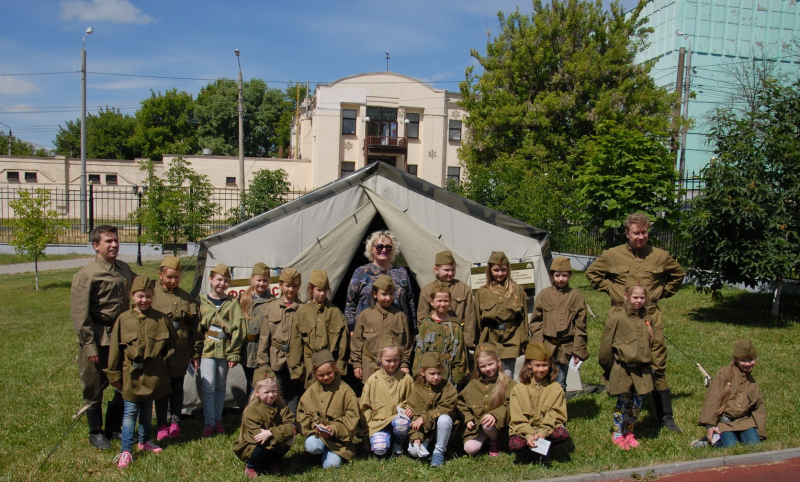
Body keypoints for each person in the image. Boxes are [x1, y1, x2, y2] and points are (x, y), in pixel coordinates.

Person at [586, 212, 685, 432]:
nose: (641, 237)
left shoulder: (660, 255)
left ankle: (665, 416)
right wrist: (612, 292)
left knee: (657, 363)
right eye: (636, 233)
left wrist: (662, 293)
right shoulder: (612, 255)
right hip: (623, 318)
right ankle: (623, 409)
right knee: (621, 361)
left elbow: (678, 275)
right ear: (627, 233)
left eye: (644, 232)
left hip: (650, 317)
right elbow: (593, 274)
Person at [71, 225, 136, 450]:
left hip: (122, 337)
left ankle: (114, 426)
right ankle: (96, 431)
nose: (114, 245)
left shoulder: (124, 269)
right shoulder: (87, 274)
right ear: (96, 245)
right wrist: (89, 346)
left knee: (124, 380)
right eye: (108, 241)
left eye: (116, 241)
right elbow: (80, 315)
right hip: (99, 337)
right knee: (94, 385)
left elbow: (141, 287)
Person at [106, 276, 172, 469]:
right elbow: (115, 351)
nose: (144, 300)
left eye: (149, 296)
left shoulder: (160, 319)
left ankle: (144, 441)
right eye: (140, 296)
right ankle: (126, 449)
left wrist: (164, 369)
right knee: (130, 413)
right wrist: (114, 376)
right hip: (131, 375)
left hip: (152, 374)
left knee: (146, 410)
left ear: (153, 296)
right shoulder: (124, 320)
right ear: (132, 296)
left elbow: (171, 347)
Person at [598, 281, 655, 450]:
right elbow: (605, 349)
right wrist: (611, 370)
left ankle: (629, 431)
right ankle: (617, 433)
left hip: (642, 370)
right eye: (635, 297)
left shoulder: (646, 318)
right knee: (622, 402)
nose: (638, 301)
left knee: (637, 403)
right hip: (622, 368)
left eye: (642, 298)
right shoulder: (617, 318)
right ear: (626, 296)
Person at [152, 255, 202, 442]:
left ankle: (175, 421)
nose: (173, 281)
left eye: (176, 277)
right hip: (161, 349)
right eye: (169, 277)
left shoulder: (187, 298)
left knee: (177, 387)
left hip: (181, 349)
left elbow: (195, 327)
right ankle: (161, 423)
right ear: (160, 275)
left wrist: (196, 351)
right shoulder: (153, 296)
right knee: (162, 387)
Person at [198, 263, 246, 437]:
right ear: (210, 280)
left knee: (220, 386)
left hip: (224, 349)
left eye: (226, 280)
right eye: (219, 279)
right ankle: (208, 422)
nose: (222, 283)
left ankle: (217, 420)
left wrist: (234, 352)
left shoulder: (232, 303)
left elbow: (239, 327)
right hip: (207, 350)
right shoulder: (201, 301)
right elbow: (197, 326)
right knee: (208, 386)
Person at [691, 339, 766, 449]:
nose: (748, 364)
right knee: (730, 447)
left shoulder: (752, 382)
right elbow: (713, 400)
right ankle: (709, 442)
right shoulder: (724, 374)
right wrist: (710, 426)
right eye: (744, 360)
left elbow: (759, 408)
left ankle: (740, 437)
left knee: (754, 446)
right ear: (736, 359)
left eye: (751, 360)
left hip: (744, 422)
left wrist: (760, 432)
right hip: (725, 423)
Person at [530, 257, 588, 394]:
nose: (561, 279)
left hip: (565, 348)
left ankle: (559, 412)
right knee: (542, 381)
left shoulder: (576, 296)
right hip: (547, 346)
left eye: (564, 275)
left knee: (560, 381)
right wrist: (538, 346)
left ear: (570, 275)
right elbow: (536, 322)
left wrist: (578, 350)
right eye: (557, 275)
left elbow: (581, 326)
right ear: (552, 275)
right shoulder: (544, 295)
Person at [297, 349, 360, 469]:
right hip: (317, 435)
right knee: (312, 446)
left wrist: (332, 429)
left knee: (331, 466)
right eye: (321, 375)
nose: (326, 377)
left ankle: (328, 454)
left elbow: (352, 419)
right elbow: (302, 415)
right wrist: (316, 427)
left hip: (338, 441)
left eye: (329, 373)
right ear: (315, 374)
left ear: (335, 369)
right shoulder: (310, 391)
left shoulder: (346, 391)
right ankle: (317, 452)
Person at [508, 343, 569, 465]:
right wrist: (529, 434)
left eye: (545, 365)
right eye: (537, 365)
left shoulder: (556, 388)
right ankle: (527, 451)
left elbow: (556, 414)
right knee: (515, 444)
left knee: (561, 434)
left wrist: (543, 432)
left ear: (550, 365)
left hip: (546, 431)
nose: (541, 369)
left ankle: (546, 449)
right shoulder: (518, 389)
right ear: (529, 365)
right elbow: (517, 417)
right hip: (526, 431)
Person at [345, 230, 416, 334]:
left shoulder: (401, 272)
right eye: (379, 246)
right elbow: (350, 303)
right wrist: (351, 329)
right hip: (367, 332)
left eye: (388, 247)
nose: (384, 250)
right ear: (371, 248)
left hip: (397, 331)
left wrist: (412, 329)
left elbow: (410, 302)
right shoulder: (360, 273)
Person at [288, 270, 349, 389]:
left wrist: (340, 366)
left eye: (325, 290)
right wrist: (297, 368)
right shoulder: (302, 313)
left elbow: (343, 343)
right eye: (319, 290)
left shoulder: (336, 313)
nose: (322, 294)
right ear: (311, 289)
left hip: (331, 365)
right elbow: (296, 343)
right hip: (310, 364)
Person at [256, 268, 302, 413]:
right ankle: (280, 417)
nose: (290, 289)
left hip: (296, 357)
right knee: (278, 388)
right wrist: (262, 361)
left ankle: (292, 419)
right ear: (280, 285)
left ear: (299, 286)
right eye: (287, 285)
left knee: (294, 390)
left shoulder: (303, 308)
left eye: (294, 286)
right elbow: (264, 336)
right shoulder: (272, 308)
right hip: (276, 356)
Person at [350, 275, 413, 383]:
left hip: (393, 367)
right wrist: (356, 364)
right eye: (383, 294)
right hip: (370, 365)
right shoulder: (366, 315)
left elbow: (406, 343)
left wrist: (404, 364)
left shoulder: (399, 316)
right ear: (375, 294)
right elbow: (357, 341)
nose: (388, 298)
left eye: (391, 294)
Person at [476, 251, 528, 378]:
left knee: (507, 376)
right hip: (490, 338)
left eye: (503, 270)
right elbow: (477, 319)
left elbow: (523, 318)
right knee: (490, 375)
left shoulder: (516, 290)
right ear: (490, 270)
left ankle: (506, 398)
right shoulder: (483, 292)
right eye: (496, 270)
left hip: (511, 339)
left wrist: (524, 341)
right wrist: (479, 341)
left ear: (508, 270)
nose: (500, 273)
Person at [458, 342, 515, 457]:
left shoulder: (508, 383)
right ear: (478, 367)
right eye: (483, 366)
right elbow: (460, 402)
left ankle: (494, 441)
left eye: (490, 364)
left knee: (487, 424)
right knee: (469, 448)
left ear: (498, 362)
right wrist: (468, 419)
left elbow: (511, 404)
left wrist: (495, 415)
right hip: (477, 426)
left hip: (498, 426)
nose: (488, 369)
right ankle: (485, 440)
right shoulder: (473, 384)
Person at [360, 336, 414, 456]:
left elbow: (413, 400)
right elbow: (365, 407)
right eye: (388, 360)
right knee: (380, 450)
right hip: (378, 423)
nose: (392, 364)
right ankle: (384, 440)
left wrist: (410, 408)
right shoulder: (372, 380)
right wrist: (366, 432)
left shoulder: (406, 379)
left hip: (398, 420)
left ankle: (398, 444)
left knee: (402, 423)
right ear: (380, 358)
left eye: (395, 360)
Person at [233, 375, 295, 479]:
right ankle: (251, 466)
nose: (271, 395)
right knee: (261, 446)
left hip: (270, 439)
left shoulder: (281, 407)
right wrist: (279, 435)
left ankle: (273, 462)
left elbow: (290, 426)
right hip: (254, 443)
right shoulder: (252, 410)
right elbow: (257, 435)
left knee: (290, 440)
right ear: (257, 392)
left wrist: (270, 433)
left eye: (274, 391)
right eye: (266, 392)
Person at [417, 250, 478, 348]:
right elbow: (422, 319)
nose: (450, 273)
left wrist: (467, 340)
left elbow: (470, 317)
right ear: (436, 269)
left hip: (459, 339)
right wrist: (429, 339)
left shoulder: (463, 288)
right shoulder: (427, 290)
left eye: (453, 270)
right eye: (446, 270)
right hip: (436, 341)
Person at [406, 352, 458, 467]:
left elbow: (447, 407)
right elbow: (415, 416)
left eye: (439, 373)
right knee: (414, 452)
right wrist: (416, 436)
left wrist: (425, 418)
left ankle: (439, 451)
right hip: (425, 430)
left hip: (442, 426)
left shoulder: (448, 387)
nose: (436, 377)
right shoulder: (417, 390)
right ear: (422, 372)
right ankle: (429, 442)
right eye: (432, 373)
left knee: (444, 419)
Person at [414, 282, 468, 387]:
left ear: (450, 301)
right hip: (428, 374)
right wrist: (418, 374)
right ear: (431, 301)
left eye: (446, 301)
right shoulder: (426, 323)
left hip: (448, 373)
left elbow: (460, 352)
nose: (442, 304)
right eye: (439, 301)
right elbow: (419, 350)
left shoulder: (454, 325)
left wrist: (457, 377)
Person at [239, 262, 273, 394]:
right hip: (246, 350)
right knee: (250, 382)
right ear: (252, 279)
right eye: (259, 280)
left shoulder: (272, 302)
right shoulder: (243, 300)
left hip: (263, 348)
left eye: (265, 280)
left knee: (262, 382)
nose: (261, 283)